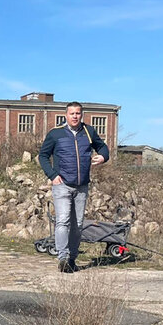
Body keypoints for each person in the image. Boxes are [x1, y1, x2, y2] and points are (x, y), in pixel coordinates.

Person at [37, 102, 110, 273]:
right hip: (62, 185)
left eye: (78, 113)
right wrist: (53, 175)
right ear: (66, 115)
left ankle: (71, 259)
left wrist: (103, 157)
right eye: (72, 113)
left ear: (81, 114)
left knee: (77, 225)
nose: (75, 116)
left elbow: (102, 147)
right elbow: (43, 156)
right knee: (63, 221)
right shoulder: (56, 134)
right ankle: (62, 257)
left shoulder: (89, 132)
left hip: (82, 186)